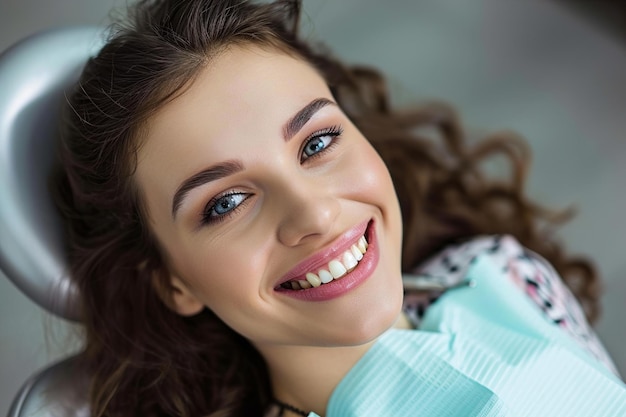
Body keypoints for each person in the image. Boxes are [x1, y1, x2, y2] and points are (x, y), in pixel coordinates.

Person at [52, 0, 626, 416]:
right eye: (225, 203)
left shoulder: (506, 274)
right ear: (172, 282)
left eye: (317, 143)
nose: (315, 215)